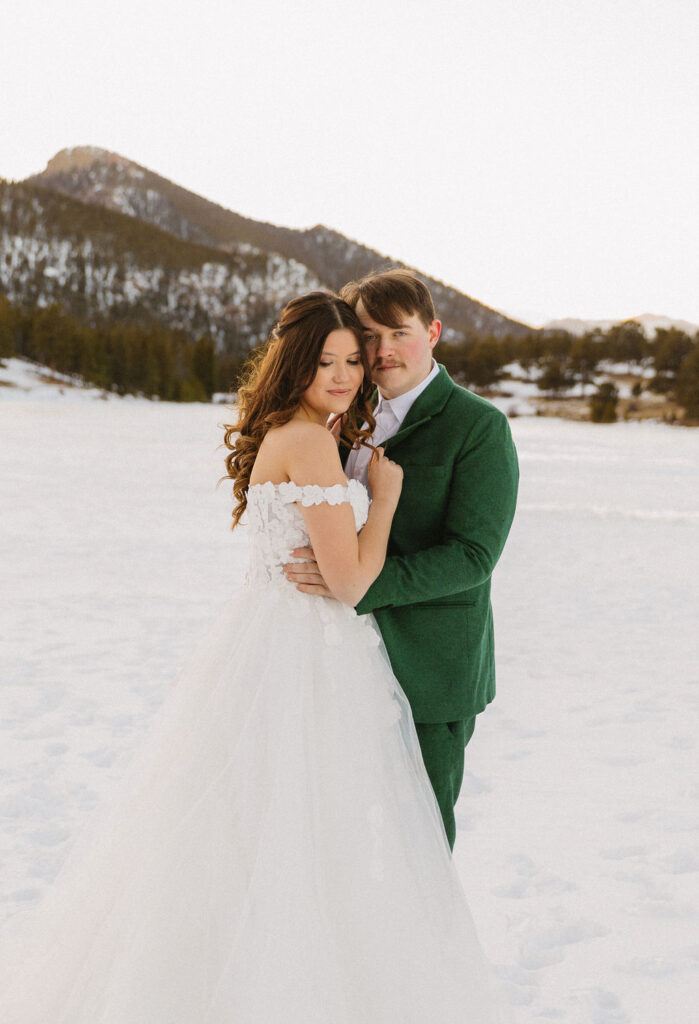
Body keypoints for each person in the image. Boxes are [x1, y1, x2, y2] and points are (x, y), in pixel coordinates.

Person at [0, 291, 507, 1022]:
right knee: (306, 826)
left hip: (313, 649)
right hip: (307, 656)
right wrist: (385, 497)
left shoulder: (344, 430)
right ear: (294, 364)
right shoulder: (307, 440)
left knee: (307, 826)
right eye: (327, 360)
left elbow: (471, 551)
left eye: (353, 359)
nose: (345, 373)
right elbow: (349, 580)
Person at [284, 270, 519, 849]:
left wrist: (357, 584)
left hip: (431, 667)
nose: (384, 349)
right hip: (338, 659)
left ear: (433, 332)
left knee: (419, 844)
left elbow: (473, 555)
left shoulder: (479, 427)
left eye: (400, 331)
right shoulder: (339, 416)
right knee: (338, 838)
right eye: (369, 334)